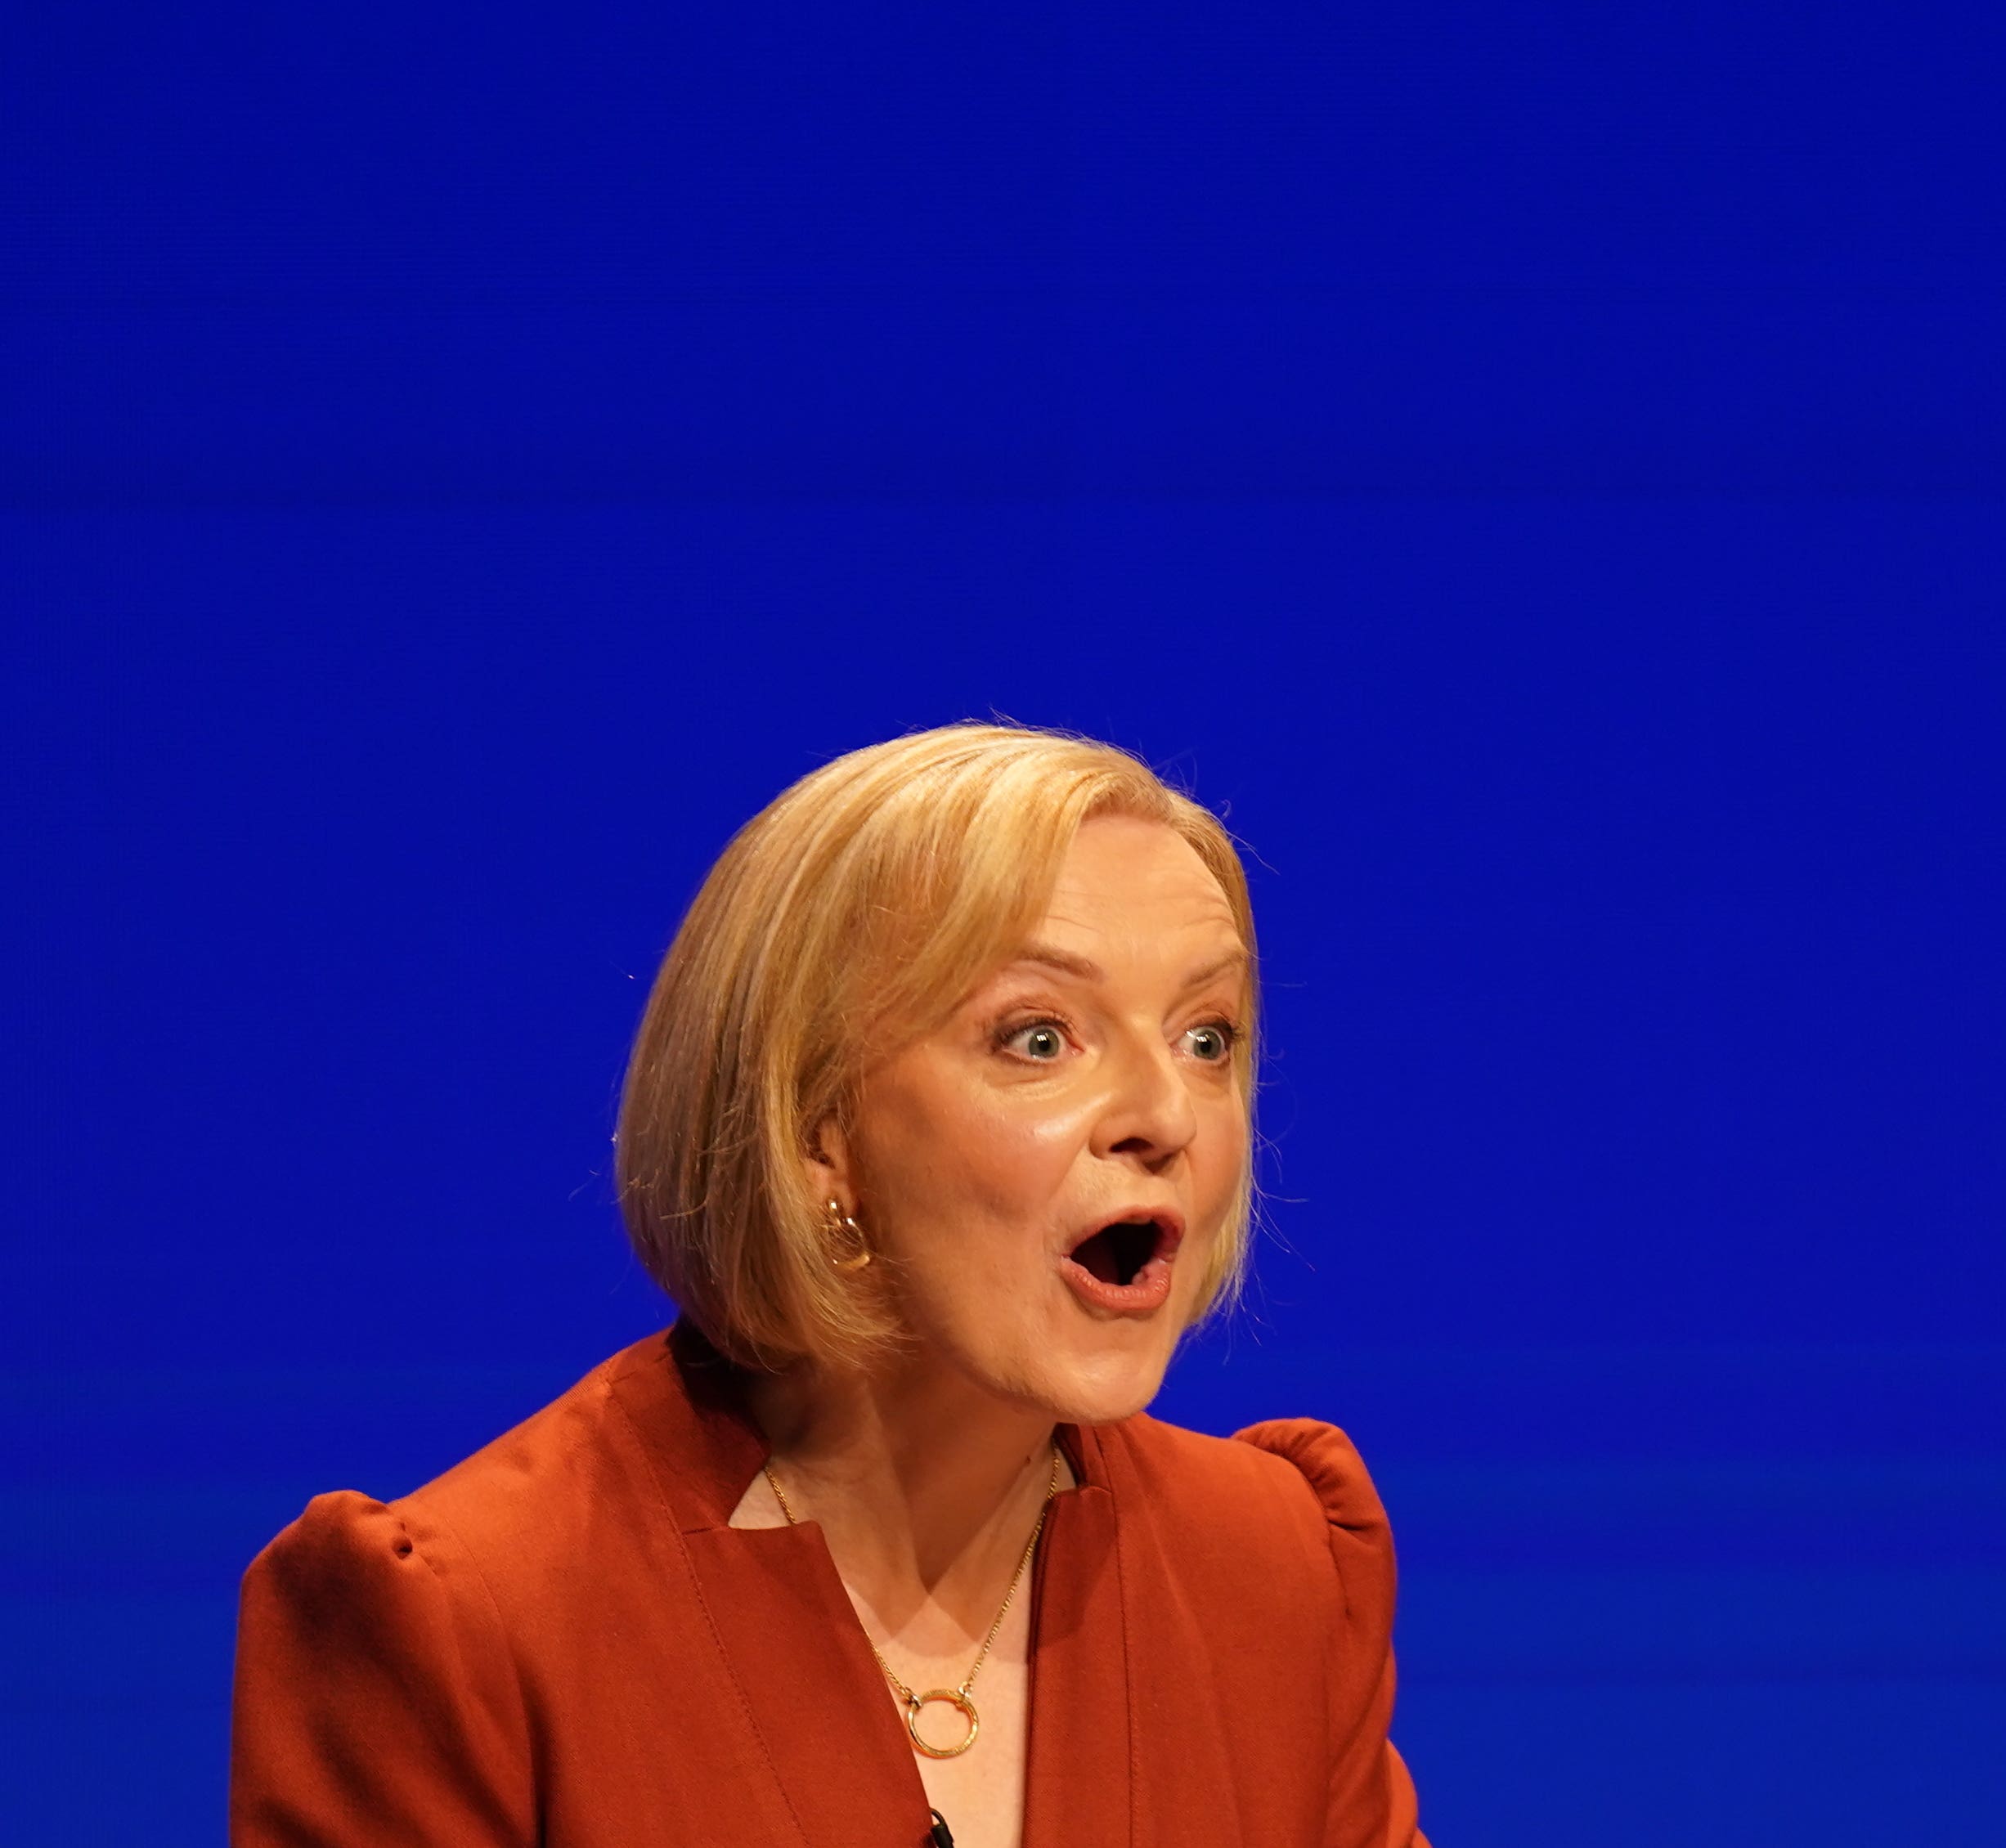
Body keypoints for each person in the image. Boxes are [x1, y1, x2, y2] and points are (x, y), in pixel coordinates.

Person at [231, 724, 1426, 1848]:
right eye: (1041, 1037)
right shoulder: (470, 1622)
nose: (1168, 1116)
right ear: (816, 1132)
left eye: (1205, 1037)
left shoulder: (1271, 1572)